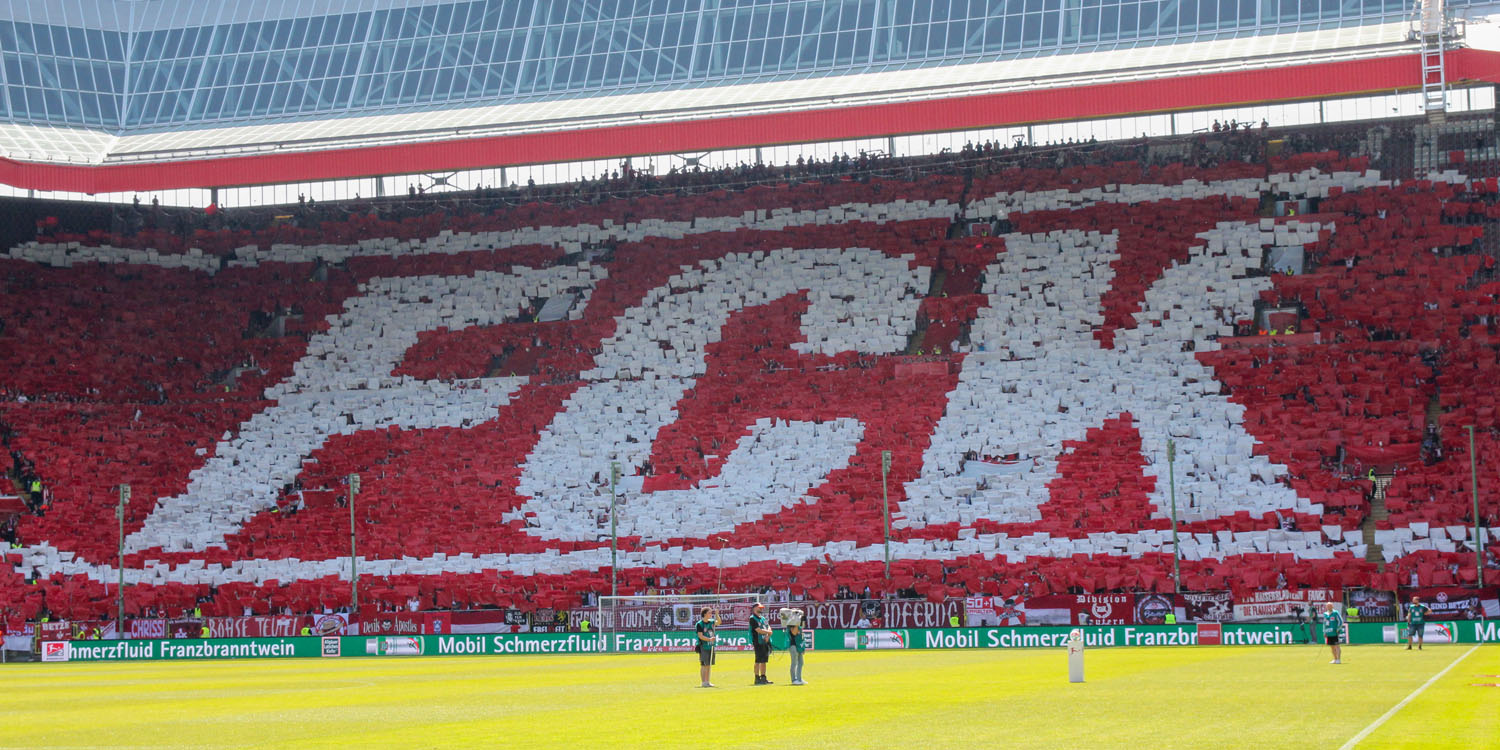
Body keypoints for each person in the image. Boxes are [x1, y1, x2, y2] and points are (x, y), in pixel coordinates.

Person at [695, 607, 719, 688]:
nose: (711, 614)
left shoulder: (711, 622)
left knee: (709, 665)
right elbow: (700, 636)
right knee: (704, 665)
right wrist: (709, 639)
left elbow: (719, 622)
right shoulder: (699, 624)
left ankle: (708, 681)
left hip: (711, 646)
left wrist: (717, 614)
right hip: (703, 646)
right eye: (709, 613)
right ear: (704, 614)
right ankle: (703, 682)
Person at [750, 602, 773, 685]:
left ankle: (763, 678)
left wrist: (768, 634)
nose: (761, 609)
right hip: (758, 642)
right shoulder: (752, 618)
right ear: (754, 608)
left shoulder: (762, 618)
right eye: (759, 607)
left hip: (764, 641)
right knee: (758, 660)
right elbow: (758, 630)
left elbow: (768, 626)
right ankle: (757, 678)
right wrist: (769, 633)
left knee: (764, 660)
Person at [785, 616, 807, 686]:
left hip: (798, 645)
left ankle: (799, 678)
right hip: (793, 645)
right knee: (794, 662)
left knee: (801, 662)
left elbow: (801, 636)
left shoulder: (798, 627)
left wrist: (803, 648)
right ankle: (794, 679)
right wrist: (797, 623)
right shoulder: (791, 625)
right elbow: (794, 633)